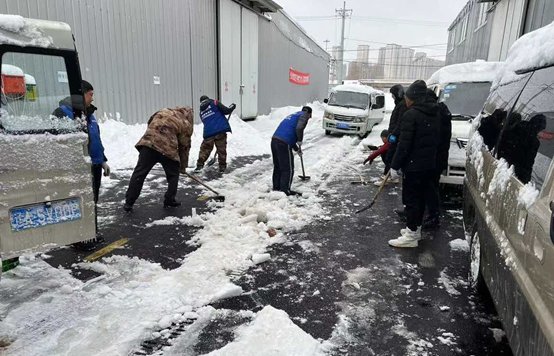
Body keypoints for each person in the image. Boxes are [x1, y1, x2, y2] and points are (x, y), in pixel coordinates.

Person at [53, 80, 109, 244]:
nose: (92, 98)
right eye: (90, 94)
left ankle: (91, 231)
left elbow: (95, 140)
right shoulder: (62, 113)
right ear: (81, 94)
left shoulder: (88, 114)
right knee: (78, 202)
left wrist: (103, 160)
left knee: (92, 201)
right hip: (78, 167)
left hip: (95, 165)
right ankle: (78, 238)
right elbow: (60, 143)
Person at [388, 80, 440, 248]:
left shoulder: (411, 115)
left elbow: (404, 145)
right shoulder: (434, 112)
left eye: (409, 97)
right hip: (428, 165)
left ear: (414, 99)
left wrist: (394, 166)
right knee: (420, 198)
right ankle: (415, 230)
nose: (406, 101)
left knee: (411, 200)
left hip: (414, 165)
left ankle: (411, 235)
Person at [124, 107, 194, 211]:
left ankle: (129, 202)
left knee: (139, 173)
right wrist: (182, 167)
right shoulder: (185, 123)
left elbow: (150, 121)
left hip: (148, 145)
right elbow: (184, 146)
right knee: (173, 174)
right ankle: (170, 200)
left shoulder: (163, 110)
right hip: (167, 148)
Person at [422, 89, 452, 230]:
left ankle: (433, 217)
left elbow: (434, 138)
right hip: (438, 157)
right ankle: (431, 214)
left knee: (430, 188)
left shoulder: (437, 115)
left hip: (433, 158)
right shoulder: (443, 112)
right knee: (431, 187)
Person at [271, 106, 312, 196]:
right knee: (287, 168)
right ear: (309, 114)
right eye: (310, 117)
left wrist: (297, 149)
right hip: (283, 143)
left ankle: (276, 188)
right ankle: (285, 190)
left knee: (278, 166)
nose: (308, 119)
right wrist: (300, 140)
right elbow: (299, 128)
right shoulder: (304, 115)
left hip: (275, 140)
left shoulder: (294, 115)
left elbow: (289, 133)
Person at [194, 95, 235, 173]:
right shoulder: (214, 102)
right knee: (221, 149)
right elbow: (226, 111)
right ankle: (222, 168)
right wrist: (232, 107)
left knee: (205, 149)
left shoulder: (201, 112)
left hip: (208, 133)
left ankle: (199, 165)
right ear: (208, 99)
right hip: (220, 130)